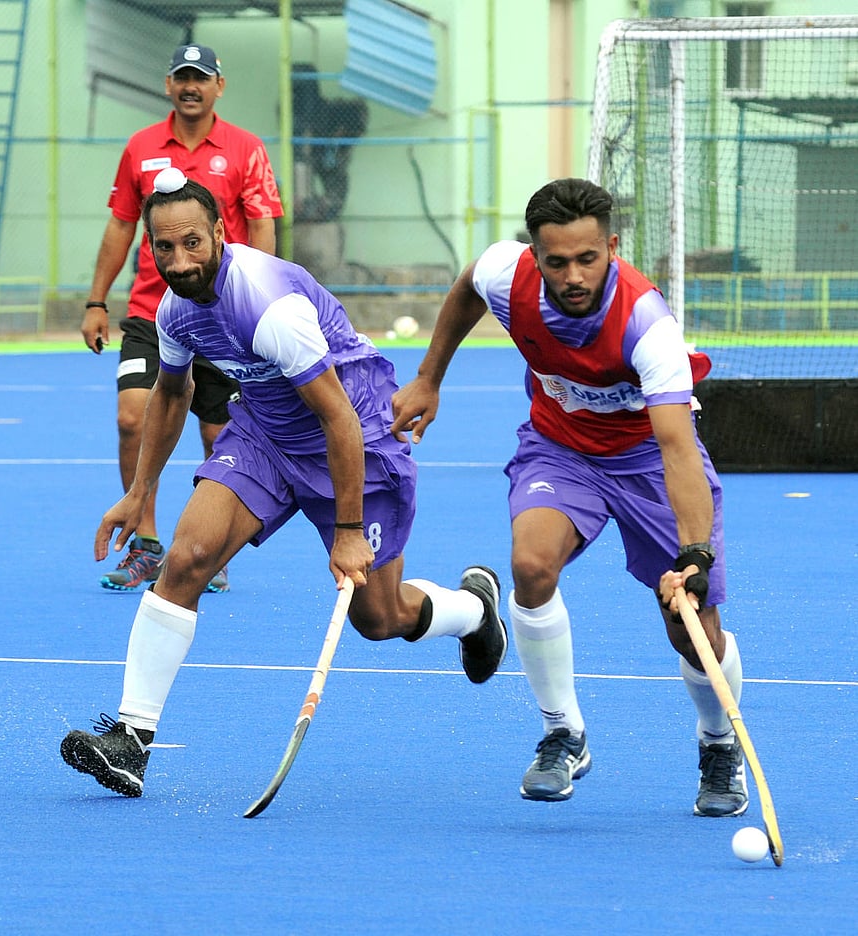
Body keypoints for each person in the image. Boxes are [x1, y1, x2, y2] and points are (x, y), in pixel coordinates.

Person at [60, 169, 508, 798]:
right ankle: (132, 740)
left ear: (219, 233)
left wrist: (348, 531)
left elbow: (339, 419)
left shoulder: (269, 307)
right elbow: (171, 391)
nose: (179, 260)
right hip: (267, 435)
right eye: (164, 247)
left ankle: (473, 610)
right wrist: (139, 494)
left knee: (379, 618)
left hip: (353, 437)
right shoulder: (174, 309)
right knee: (186, 558)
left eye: (192, 242)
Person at [391, 177, 748, 818]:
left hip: (645, 459)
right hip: (561, 448)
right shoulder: (509, 275)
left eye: (589, 258)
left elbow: (677, 449)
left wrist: (693, 555)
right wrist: (427, 378)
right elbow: (468, 284)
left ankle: (719, 742)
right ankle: (564, 733)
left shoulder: (646, 324)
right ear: (534, 257)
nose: (574, 274)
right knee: (530, 565)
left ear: (611, 246)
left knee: (691, 627)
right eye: (557, 261)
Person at [81, 43, 284, 594]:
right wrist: (97, 300)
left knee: (218, 432)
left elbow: (262, 224)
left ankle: (208, 547)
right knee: (132, 416)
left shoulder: (246, 148)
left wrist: (264, 298)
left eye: (202, 78)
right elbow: (122, 225)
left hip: (224, 316)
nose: (191, 86)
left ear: (220, 86)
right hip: (153, 311)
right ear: (168, 86)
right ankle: (146, 545)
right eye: (182, 78)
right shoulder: (141, 147)